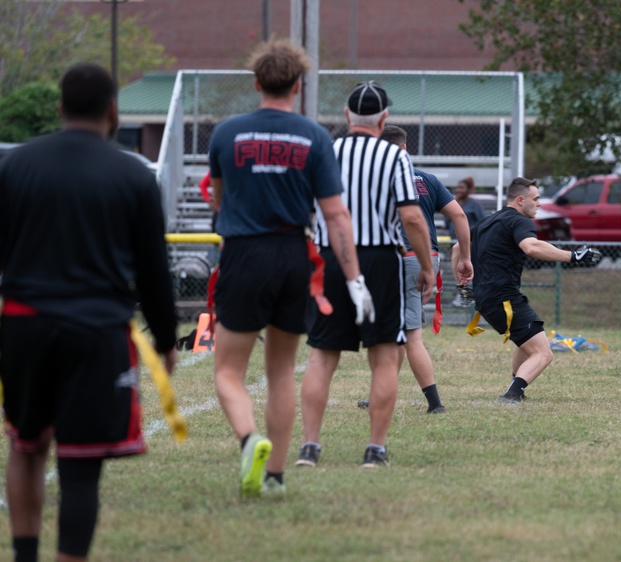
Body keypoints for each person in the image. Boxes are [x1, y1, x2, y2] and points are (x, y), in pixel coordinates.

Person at [0, 63, 177, 561]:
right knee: (80, 467)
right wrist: (166, 341)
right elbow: (153, 270)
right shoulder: (131, 174)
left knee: (25, 443)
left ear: (59, 109)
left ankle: (24, 555)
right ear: (113, 112)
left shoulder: (14, 166)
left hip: (23, 324)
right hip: (96, 330)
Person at [207, 38, 369, 498]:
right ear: (298, 86)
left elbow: (218, 201)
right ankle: (275, 475)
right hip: (294, 256)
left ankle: (248, 439)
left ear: (257, 82)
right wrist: (354, 277)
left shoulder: (226, 133)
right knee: (280, 372)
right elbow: (336, 214)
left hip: (243, 254)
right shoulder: (315, 136)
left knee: (227, 371)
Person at [297, 81, 434, 469]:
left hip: (329, 259)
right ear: (384, 118)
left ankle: (310, 446)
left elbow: (307, 209)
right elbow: (411, 216)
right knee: (385, 357)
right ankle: (375, 448)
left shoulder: (325, 151)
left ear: (346, 115)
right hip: (379, 259)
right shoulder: (395, 157)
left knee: (322, 356)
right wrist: (425, 266)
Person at [350, 125, 473, 415]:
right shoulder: (427, 180)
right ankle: (382, 391)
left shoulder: (373, 179)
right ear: (405, 148)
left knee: (409, 334)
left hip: (393, 258)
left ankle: (435, 403)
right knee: (401, 329)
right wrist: (465, 257)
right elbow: (459, 215)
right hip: (425, 258)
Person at [459, 177, 602, 403]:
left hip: (486, 300)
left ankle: (517, 386)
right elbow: (531, 246)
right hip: (504, 298)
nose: (539, 204)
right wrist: (573, 256)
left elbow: (459, 246)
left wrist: (462, 282)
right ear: (520, 200)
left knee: (528, 337)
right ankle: (512, 395)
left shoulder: (488, 221)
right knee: (544, 353)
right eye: (535, 199)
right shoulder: (520, 221)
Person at [448, 176, 486, 307]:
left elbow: (482, 221)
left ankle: (464, 289)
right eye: (457, 187)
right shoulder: (453, 203)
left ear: (469, 190)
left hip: (471, 241)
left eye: (462, 188)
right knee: (455, 249)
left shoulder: (474, 204)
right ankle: (463, 291)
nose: (458, 190)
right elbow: (449, 223)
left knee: (457, 249)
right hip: (454, 240)